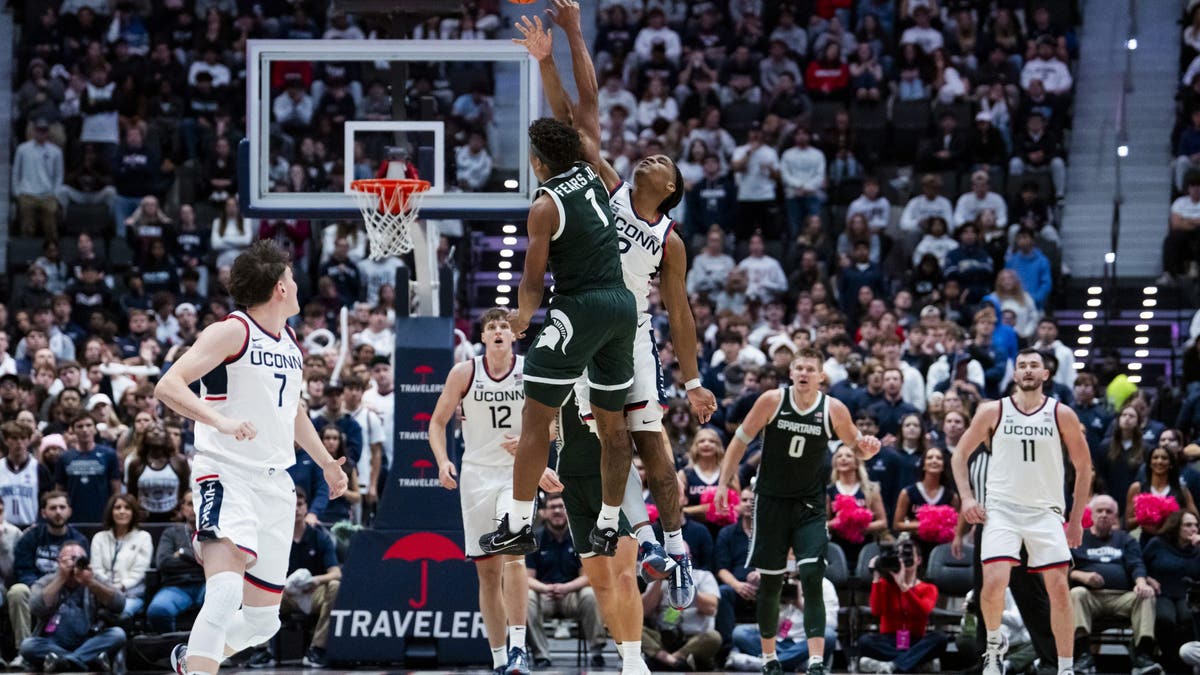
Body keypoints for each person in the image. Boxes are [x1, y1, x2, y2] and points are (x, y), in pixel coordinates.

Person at [514, 7, 718, 608]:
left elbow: (679, 314)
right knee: (606, 440)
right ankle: (640, 536)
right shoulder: (604, 184)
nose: (649, 158)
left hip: (630, 332)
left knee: (651, 444)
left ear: (672, 189)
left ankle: (677, 547)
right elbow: (575, 118)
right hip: (584, 318)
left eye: (662, 163)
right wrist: (562, 47)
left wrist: (695, 379)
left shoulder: (669, 241)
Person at [480, 2, 639, 567]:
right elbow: (584, 103)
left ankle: (519, 525)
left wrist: (522, 319)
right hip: (624, 307)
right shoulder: (593, 164)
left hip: (581, 306)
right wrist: (568, 39)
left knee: (536, 421)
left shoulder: (544, 204)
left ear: (538, 163)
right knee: (613, 427)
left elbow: (531, 281)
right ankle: (605, 524)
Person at [154, 240, 348, 675]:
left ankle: (193, 662)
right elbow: (169, 385)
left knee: (262, 623)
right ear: (280, 287)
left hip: (275, 482)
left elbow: (292, 411)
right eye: (292, 278)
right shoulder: (231, 331)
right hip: (225, 472)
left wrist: (325, 461)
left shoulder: (291, 341)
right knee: (223, 594)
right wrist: (218, 421)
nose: (297, 285)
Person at [715, 348, 883, 675]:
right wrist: (724, 484)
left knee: (811, 576)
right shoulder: (770, 401)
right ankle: (769, 659)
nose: (804, 373)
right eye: (799, 368)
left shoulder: (833, 409)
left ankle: (817, 661)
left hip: (809, 504)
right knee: (772, 584)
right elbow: (738, 442)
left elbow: (857, 448)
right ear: (791, 373)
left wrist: (868, 450)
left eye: (811, 369)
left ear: (821, 376)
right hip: (770, 502)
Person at [951, 349, 1094, 675]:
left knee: (1059, 588)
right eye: (1022, 366)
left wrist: (1075, 521)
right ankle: (991, 651)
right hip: (1002, 510)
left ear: (1046, 374)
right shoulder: (993, 411)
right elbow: (959, 457)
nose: (1027, 370)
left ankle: (1066, 667)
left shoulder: (1062, 414)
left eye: (1034, 366)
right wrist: (968, 499)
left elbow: (1085, 468)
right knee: (994, 581)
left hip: (1045, 512)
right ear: (1014, 374)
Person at [428, 308, 533, 675]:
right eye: (492, 327)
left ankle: (520, 648)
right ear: (483, 337)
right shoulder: (465, 372)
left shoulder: (530, 369)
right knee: (487, 573)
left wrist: (529, 441)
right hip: (475, 475)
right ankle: (500, 659)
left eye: (505, 326)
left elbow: (553, 424)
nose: (500, 331)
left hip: (516, 473)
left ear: (514, 335)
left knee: (516, 554)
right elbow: (437, 423)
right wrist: (443, 461)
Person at [538, 387, 652, 675]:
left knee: (625, 576)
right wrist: (531, 454)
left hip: (615, 476)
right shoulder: (561, 368)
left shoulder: (612, 365)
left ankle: (634, 660)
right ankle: (625, 655)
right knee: (600, 584)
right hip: (572, 483)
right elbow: (548, 425)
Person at [244, 487, 341, 668]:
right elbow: (263, 570)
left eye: (300, 504)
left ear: (306, 508)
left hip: (313, 592)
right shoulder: (275, 538)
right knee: (254, 587)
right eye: (291, 505)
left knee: (335, 586)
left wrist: (316, 581)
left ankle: (317, 649)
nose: (296, 509)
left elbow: (336, 572)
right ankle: (262, 650)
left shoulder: (320, 537)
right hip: (284, 594)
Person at [1067, 495, 1163, 674]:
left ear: (1115, 517)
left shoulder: (1125, 538)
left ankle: (1142, 657)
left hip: (1122, 597)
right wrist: (1082, 576)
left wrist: (1141, 583)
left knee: (1146, 596)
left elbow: (1136, 563)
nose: (1104, 515)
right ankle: (1084, 656)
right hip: (1091, 598)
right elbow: (1065, 569)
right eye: (1099, 511)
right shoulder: (1078, 538)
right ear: (1092, 514)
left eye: (1108, 511)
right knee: (1076, 593)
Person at [7, 491, 88, 669]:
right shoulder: (30, 537)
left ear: (70, 511)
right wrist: (40, 589)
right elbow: (23, 569)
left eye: (62, 507)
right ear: (43, 512)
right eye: (53, 508)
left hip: (69, 589)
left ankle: (67, 655)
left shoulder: (79, 539)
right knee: (18, 591)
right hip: (36, 587)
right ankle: (23, 651)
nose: (58, 512)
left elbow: (83, 571)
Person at [524, 493, 606, 668]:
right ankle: (541, 655)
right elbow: (527, 579)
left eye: (561, 507)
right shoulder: (534, 539)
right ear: (543, 513)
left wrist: (566, 588)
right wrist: (545, 589)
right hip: (544, 595)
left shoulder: (581, 538)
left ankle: (597, 652)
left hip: (572, 595)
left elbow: (588, 577)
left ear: (568, 512)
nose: (557, 511)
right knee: (527, 597)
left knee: (590, 594)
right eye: (552, 507)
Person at [19, 541, 126, 672]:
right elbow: (36, 607)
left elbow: (119, 604)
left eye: (78, 559)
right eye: (70, 559)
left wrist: (91, 583)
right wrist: (61, 578)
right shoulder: (47, 580)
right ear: (59, 562)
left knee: (118, 634)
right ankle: (87, 660)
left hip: (89, 641)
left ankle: (64, 661)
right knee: (28, 646)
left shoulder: (93, 579)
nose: (74, 564)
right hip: (53, 644)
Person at [857, 537, 950, 673]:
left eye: (908, 555)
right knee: (865, 641)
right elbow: (876, 611)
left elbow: (923, 610)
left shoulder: (929, 588)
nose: (903, 559)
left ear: (918, 560)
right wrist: (876, 577)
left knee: (940, 639)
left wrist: (903, 586)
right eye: (899, 555)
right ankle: (915, 663)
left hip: (916, 640)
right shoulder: (885, 584)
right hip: (889, 640)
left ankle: (891, 665)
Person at [1142, 510, 1200, 672]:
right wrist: (1147, 578)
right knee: (1165, 618)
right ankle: (1169, 662)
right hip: (1161, 591)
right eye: (1188, 525)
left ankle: (1183, 666)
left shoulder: (1197, 548)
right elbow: (1140, 565)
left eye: (1196, 525)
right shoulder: (1157, 544)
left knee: (1187, 617)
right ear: (1176, 527)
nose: (1193, 529)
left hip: (1188, 593)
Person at [146, 489, 206, 633]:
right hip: (176, 586)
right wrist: (199, 559)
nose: (194, 508)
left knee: (224, 601)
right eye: (190, 504)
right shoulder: (171, 533)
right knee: (157, 610)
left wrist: (182, 553)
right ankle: (172, 650)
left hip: (206, 583)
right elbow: (164, 562)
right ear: (183, 508)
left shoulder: (214, 532)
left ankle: (215, 651)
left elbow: (217, 562)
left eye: (199, 503)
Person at [90, 493, 152, 619]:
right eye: (117, 507)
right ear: (111, 512)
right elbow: (96, 569)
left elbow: (139, 572)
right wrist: (109, 588)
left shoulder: (143, 537)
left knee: (119, 614)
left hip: (131, 595)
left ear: (133, 512)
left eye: (127, 508)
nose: (122, 511)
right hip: (102, 593)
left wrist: (119, 587)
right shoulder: (99, 538)